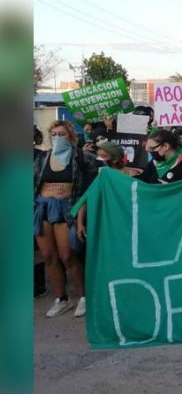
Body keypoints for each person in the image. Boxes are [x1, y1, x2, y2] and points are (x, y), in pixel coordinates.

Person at [34, 121, 97, 318]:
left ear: (70, 136)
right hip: (43, 207)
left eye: (61, 134)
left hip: (67, 208)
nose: (57, 137)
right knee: (48, 256)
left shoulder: (82, 157)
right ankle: (61, 298)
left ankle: (84, 297)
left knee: (68, 255)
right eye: (53, 134)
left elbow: (94, 182)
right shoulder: (42, 157)